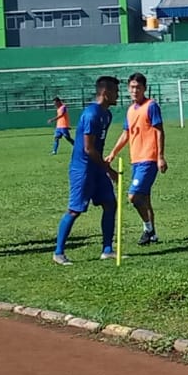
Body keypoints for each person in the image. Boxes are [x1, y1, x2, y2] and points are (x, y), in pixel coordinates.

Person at [54, 76, 120, 265]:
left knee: (110, 204)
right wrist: (109, 170)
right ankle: (58, 252)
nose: (118, 95)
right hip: (83, 169)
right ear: (105, 93)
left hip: (97, 168)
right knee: (75, 210)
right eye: (115, 91)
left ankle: (107, 249)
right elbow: (88, 148)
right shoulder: (91, 114)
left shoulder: (107, 114)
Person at [106, 72, 167, 246]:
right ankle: (152, 235)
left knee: (133, 196)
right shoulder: (130, 110)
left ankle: (148, 229)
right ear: (128, 89)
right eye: (132, 87)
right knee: (145, 199)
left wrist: (160, 156)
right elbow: (126, 133)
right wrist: (113, 153)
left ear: (144, 89)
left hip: (149, 158)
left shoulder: (151, 106)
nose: (135, 90)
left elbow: (159, 131)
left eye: (138, 87)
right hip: (136, 159)